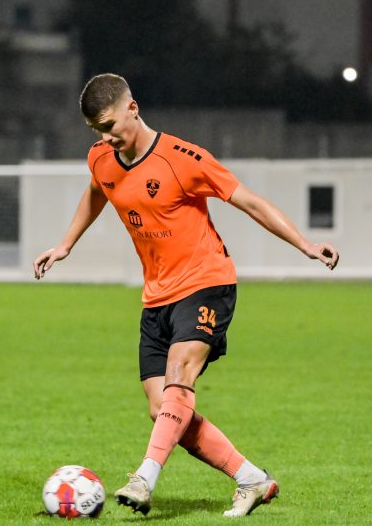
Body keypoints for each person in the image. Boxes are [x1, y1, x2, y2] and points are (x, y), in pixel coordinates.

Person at [33, 73, 339, 518]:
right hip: (157, 296)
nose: (106, 137)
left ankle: (144, 478)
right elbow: (98, 192)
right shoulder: (101, 157)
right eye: (97, 130)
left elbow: (251, 202)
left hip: (207, 282)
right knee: (163, 409)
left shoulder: (183, 159)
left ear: (133, 108)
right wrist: (66, 245)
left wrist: (305, 245)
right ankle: (252, 479)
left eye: (110, 125)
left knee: (179, 376)